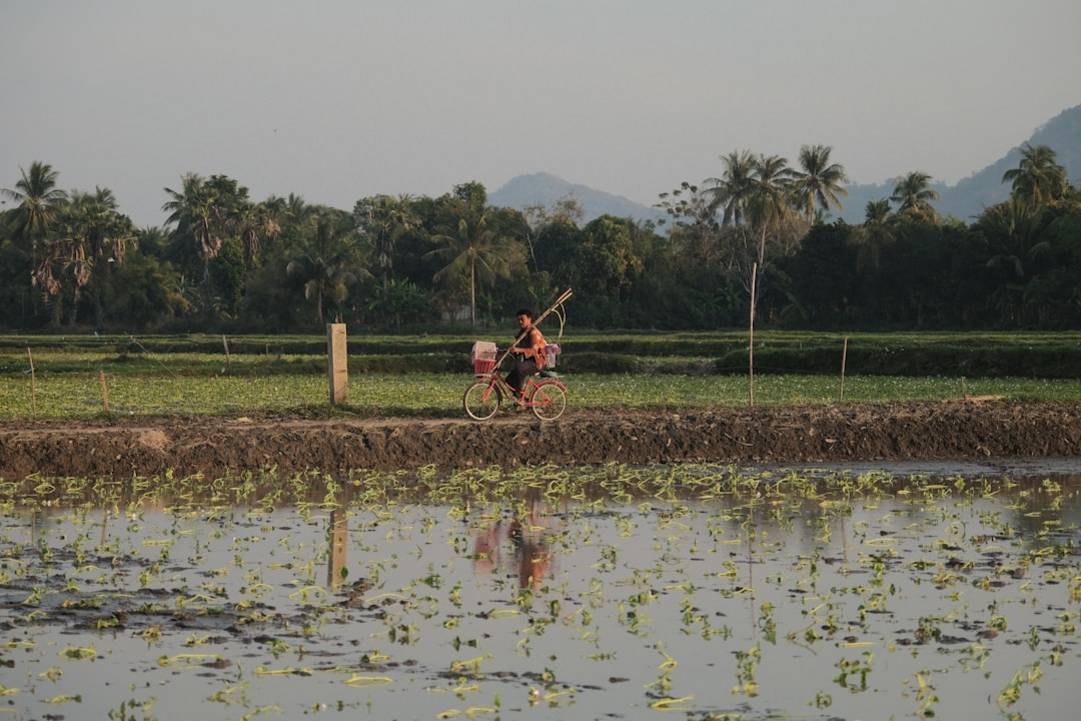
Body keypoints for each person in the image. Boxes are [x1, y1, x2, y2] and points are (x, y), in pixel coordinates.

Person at [506, 308, 546, 403]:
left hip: (537, 362)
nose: (520, 322)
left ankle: (519, 395)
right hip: (528, 361)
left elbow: (533, 351)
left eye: (522, 319)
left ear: (529, 319)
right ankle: (521, 398)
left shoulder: (533, 333)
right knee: (508, 380)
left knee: (519, 368)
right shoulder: (522, 332)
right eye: (518, 320)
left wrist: (518, 349)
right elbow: (516, 346)